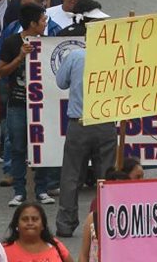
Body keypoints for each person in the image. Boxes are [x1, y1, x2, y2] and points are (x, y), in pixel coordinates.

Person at [54, 25, 117, 238]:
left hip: (79, 124)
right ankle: (107, 221)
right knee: (106, 175)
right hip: (106, 123)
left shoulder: (75, 56)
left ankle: (65, 223)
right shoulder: (116, 58)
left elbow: (61, 82)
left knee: (71, 175)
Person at [0, 3, 59, 207]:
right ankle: (19, 191)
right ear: (32, 23)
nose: (45, 24)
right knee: (17, 147)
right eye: (42, 20)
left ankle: (41, 189)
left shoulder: (48, 43)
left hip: (42, 105)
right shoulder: (11, 43)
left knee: (42, 146)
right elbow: (2, 71)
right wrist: (20, 57)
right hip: (17, 104)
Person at [1, 203, 72, 262]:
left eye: (35, 219)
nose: (30, 223)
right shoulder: (4, 250)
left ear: (43, 225)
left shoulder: (56, 245)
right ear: (16, 224)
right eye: (25, 219)